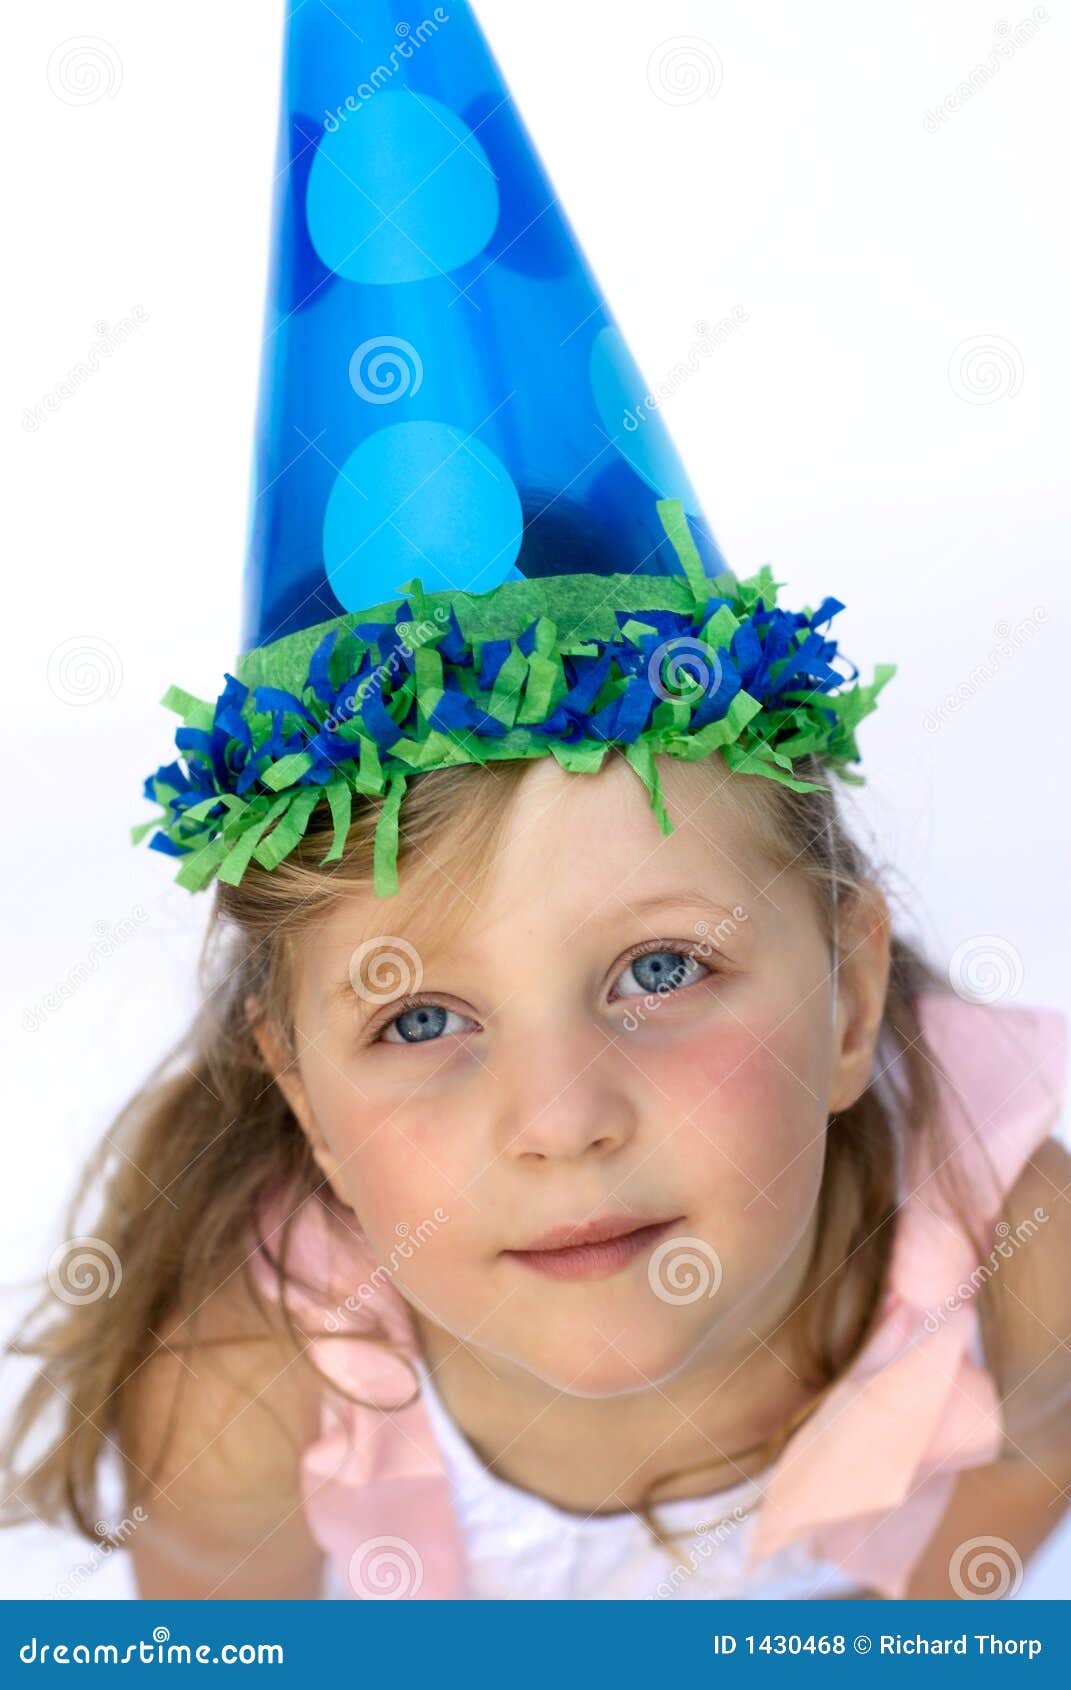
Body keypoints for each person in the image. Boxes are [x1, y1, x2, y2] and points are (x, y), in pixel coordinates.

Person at [3, 0, 1068, 1602]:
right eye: (417, 1015)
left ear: (850, 990)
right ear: (296, 1089)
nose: (563, 1119)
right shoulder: (242, 1393)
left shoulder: (1015, 1254)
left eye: (659, 968)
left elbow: (1029, 1453)